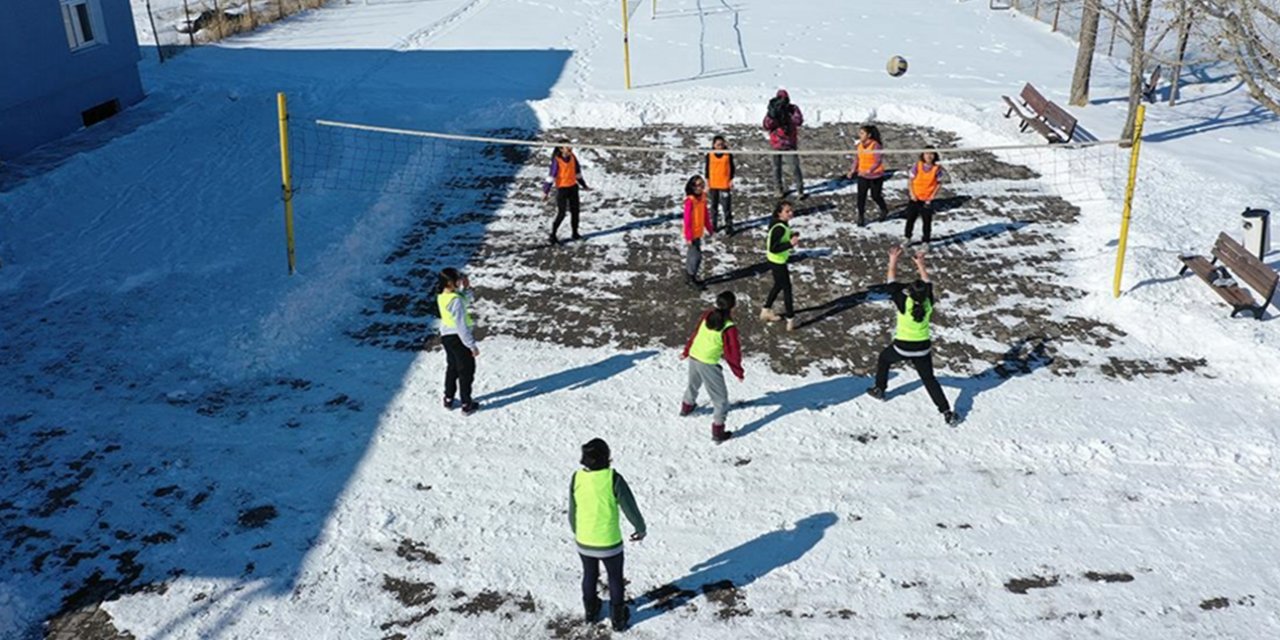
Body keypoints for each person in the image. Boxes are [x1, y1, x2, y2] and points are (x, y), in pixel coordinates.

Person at [866, 247, 960, 426]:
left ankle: (879, 389)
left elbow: (891, 280)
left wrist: (893, 259)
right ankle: (947, 412)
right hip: (923, 348)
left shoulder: (903, 302)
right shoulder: (928, 303)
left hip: (902, 346)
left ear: (910, 292)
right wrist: (920, 263)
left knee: (884, 359)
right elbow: (927, 282)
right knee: (929, 379)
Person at [569, 438, 647, 632]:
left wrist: (577, 530)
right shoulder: (613, 479)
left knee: (589, 574)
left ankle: (591, 612)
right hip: (609, 543)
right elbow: (630, 507)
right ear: (607, 458)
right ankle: (618, 620)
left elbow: (573, 510)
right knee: (614, 577)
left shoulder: (576, 478)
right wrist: (640, 528)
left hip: (584, 541)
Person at [679, 291, 745, 442]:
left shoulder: (707, 315)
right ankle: (718, 432)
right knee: (720, 400)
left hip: (695, 356)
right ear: (733, 307)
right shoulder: (729, 327)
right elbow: (732, 353)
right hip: (708, 363)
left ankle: (687, 408)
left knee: (693, 384)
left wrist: (687, 351)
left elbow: (695, 334)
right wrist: (738, 371)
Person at [437, 268, 480, 415]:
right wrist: (471, 345)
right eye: (457, 279)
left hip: (446, 337)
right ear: (450, 282)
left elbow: (464, 299)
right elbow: (461, 325)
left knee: (452, 368)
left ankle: (448, 399)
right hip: (458, 338)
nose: (459, 281)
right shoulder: (455, 300)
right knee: (466, 371)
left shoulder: (443, 296)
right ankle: (466, 403)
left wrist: (466, 288)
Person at [760, 200, 799, 331]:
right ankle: (790, 319)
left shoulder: (779, 223)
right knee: (787, 289)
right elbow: (773, 248)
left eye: (791, 210)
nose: (790, 213)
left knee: (778, 285)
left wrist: (791, 235)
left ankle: (766, 310)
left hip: (775, 260)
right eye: (787, 211)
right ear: (779, 213)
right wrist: (790, 244)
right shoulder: (779, 228)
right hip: (778, 261)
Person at [542, 144, 591, 245]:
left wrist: (584, 185)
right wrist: (545, 191)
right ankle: (553, 235)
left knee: (575, 212)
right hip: (562, 189)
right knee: (562, 213)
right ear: (561, 149)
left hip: (573, 188)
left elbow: (577, 172)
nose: (570, 149)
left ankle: (575, 233)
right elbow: (551, 176)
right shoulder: (557, 160)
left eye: (571, 147)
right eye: (567, 147)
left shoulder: (573, 157)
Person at [762, 89, 805, 199]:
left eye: (784, 99)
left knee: (794, 167)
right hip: (775, 143)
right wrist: (773, 114)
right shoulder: (773, 109)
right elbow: (766, 125)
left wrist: (787, 115)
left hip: (789, 143)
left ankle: (800, 189)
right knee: (776, 167)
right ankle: (778, 189)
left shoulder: (793, 109)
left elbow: (799, 121)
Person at [845, 125, 888, 225]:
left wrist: (870, 170)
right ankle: (861, 216)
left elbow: (878, 161)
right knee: (861, 196)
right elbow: (857, 159)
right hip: (862, 175)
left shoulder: (875, 145)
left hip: (876, 176)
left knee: (875, 195)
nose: (860, 135)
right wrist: (852, 170)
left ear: (869, 135)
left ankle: (884, 209)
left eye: (862, 133)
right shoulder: (859, 145)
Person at [904, 151, 944, 244]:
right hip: (915, 198)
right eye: (927, 154)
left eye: (931, 154)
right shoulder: (917, 166)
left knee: (927, 222)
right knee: (910, 219)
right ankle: (907, 237)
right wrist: (912, 194)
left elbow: (938, 184)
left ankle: (926, 241)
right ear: (923, 155)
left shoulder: (937, 169)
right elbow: (910, 181)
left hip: (927, 200)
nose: (929, 156)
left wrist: (932, 196)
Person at [682, 175, 714, 289]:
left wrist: (709, 227)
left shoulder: (702, 198)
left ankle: (690, 277)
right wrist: (688, 237)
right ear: (692, 187)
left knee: (694, 255)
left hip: (698, 232)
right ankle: (691, 278)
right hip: (692, 234)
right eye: (698, 185)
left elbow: (705, 214)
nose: (701, 187)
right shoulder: (690, 201)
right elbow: (687, 220)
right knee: (696, 257)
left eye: (702, 185)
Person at [704, 135, 737, 234]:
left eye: (722, 144)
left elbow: (732, 168)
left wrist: (731, 180)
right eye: (718, 144)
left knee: (726, 207)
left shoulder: (728, 155)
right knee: (713, 206)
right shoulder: (709, 155)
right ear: (714, 145)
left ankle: (728, 226)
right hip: (713, 184)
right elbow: (707, 170)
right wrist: (707, 182)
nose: (720, 146)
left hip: (724, 184)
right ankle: (713, 225)